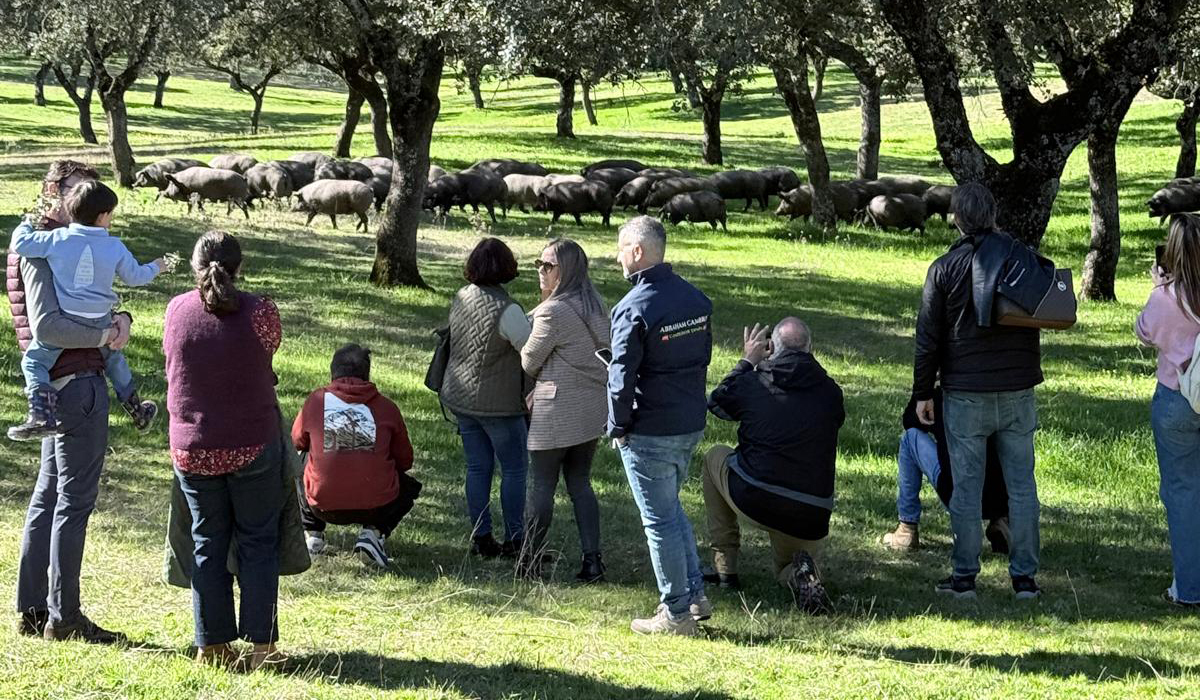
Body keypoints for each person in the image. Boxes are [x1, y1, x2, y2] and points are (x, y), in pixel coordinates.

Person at [13, 161, 131, 643]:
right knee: (71, 503)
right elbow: (49, 328)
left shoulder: (64, 248)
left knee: (49, 498)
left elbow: (94, 300)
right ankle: (63, 618)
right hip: (74, 385)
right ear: (56, 195)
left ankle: (34, 611)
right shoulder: (43, 250)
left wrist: (120, 316)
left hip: (62, 384)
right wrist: (107, 330)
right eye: (79, 192)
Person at [913, 183, 1043, 601]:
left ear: (956, 218)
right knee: (1022, 486)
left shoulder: (945, 268)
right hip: (1019, 386)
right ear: (993, 213)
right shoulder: (1019, 257)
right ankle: (1024, 578)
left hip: (966, 390)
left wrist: (923, 392)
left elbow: (927, 338)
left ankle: (965, 576)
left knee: (967, 487)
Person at [164, 231, 284, 668]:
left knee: (206, 542)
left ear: (195, 267)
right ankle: (262, 647)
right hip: (251, 441)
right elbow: (265, 353)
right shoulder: (261, 311)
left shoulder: (175, 309)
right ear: (241, 266)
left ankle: (211, 645)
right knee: (257, 542)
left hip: (193, 446)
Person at [608, 216, 713, 636]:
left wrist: (617, 426)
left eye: (620, 249)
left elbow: (620, 377)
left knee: (659, 521)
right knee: (671, 511)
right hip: (688, 422)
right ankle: (696, 596)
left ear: (637, 252)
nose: (616, 257)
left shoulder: (633, 307)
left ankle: (675, 613)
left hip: (649, 428)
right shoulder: (695, 299)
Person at [703, 319, 844, 614]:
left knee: (714, 456)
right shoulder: (831, 393)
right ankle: (799, 576)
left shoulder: (754, 381)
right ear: (811, 349)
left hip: (756, 494)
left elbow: (717, 402)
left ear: (771, 348)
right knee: (785, 568)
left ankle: (725, 567)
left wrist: (746, 362)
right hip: (810, 509)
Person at [8, 180, 162, 440]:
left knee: (35, 361)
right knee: (114, 358)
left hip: (67, 319)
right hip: (101, 321)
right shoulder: (114, 247)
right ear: (103, 215)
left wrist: (27, 221)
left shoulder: (57, 239)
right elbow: (135, 277)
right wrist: (157, 266)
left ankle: (41, 414)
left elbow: (22, 244)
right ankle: (136, 409)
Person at [520, 238, 610, 582]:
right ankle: (592, 561)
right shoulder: (596, 303)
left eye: (548, 266)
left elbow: (529, 360)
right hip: (592, 408)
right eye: (539, 265)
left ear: (565, 270)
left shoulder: (551, 311)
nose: (541, 272)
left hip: (556, 410)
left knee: (541, 485)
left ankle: (527, 560)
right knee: (580, 483)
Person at [440, 237, 532, 558]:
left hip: (461, 397)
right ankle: (516, 539)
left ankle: (481, 537)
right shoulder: (508, 310)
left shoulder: (462, 296)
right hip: (499, 405)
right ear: (507, 267)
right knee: (515, 469)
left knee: (478, 468)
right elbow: (530, 352)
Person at [292, 343, 421, 569]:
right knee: (408, 485)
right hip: (376, 505)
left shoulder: (316, 401)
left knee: (301, 459)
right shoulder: (387, 407)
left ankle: (312, 532)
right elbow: (405, 461)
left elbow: (296, 441)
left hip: (321, 505)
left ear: (333, 372)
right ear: (367, 373)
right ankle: (373, 533)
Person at [1136, 213, 1200, 607]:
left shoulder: (1167, 297)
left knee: (1182, 494)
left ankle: (1189, 588)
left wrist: (1160, 287)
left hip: (1177, 396)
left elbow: (1145, 331)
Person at [881, 390, 1011, 553]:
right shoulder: (998, 385)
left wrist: (925, 388)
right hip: (1001, 495)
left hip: (959, 493)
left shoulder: (940, 392)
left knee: (910, 438)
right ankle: (1003, 520)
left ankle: (907, 528)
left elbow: (910, 420)